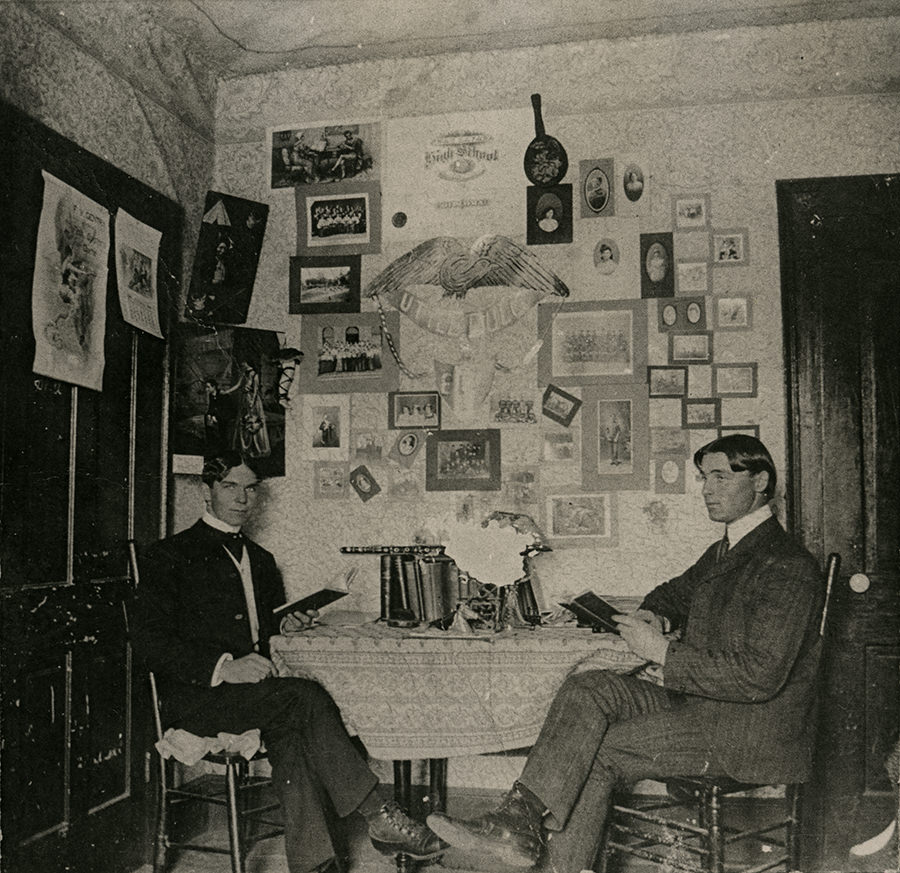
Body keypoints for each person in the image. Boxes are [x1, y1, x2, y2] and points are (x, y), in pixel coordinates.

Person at [427, 435, 825, 872]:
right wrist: (657, 616)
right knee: (589, 688)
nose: (708, 490)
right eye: (703, 478)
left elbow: (759, 676)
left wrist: (661, 653)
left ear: (761, 481)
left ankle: (554, 862)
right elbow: (672, 593)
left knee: (601, 751)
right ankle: (517, 818)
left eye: (720, 477)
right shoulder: (727, 549)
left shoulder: (787, 564)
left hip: (750, 730)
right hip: (707, 706)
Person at [132, 452, 447, 873]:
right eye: (230, 486)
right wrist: (224, 666)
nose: (243, 498)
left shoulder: (260, 560)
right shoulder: (167, 556)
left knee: (295, 730)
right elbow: (149, 642)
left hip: (252, 697)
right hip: (197, 699)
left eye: (250, 489)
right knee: (304, 697)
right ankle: (378, 814)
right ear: (206, 492)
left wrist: (288, 625)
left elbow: (261, 633)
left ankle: (315, 864)